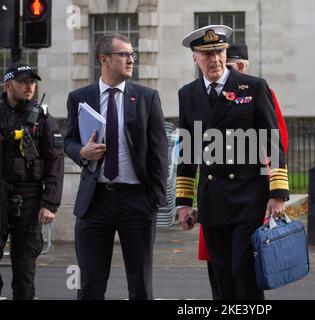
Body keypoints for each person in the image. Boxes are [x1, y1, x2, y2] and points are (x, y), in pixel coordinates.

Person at [176, 25, 289, 300]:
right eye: (206, 54)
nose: (214, 59)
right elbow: (187, 152)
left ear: (226, 53)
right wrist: (184, 203)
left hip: (247, 198)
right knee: (221, 277)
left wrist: (277, 194)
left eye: (219, 52)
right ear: (195, 58)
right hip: (213, 201)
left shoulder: (251, 86)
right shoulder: (188, 94)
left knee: (245, 273)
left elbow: (272, 141)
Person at [64, 34, 168, 300]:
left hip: (136, 201)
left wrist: (153, 200)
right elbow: (69, 142)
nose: (131, 59)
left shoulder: (146, 97)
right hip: (95, 201)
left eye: (132, 54)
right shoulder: (80, 97)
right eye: (124, 54)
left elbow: (159, 153)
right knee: (90, 285)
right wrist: (82, 153)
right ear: (104, 59)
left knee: (141, 285)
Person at [0, 63, 64, 299]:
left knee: (24, 272)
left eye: (32, 82)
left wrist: (50, 203)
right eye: (24, 82)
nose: (30, 87)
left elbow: (55, 160)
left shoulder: (41, 117)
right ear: (8, 85)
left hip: (28, 201)